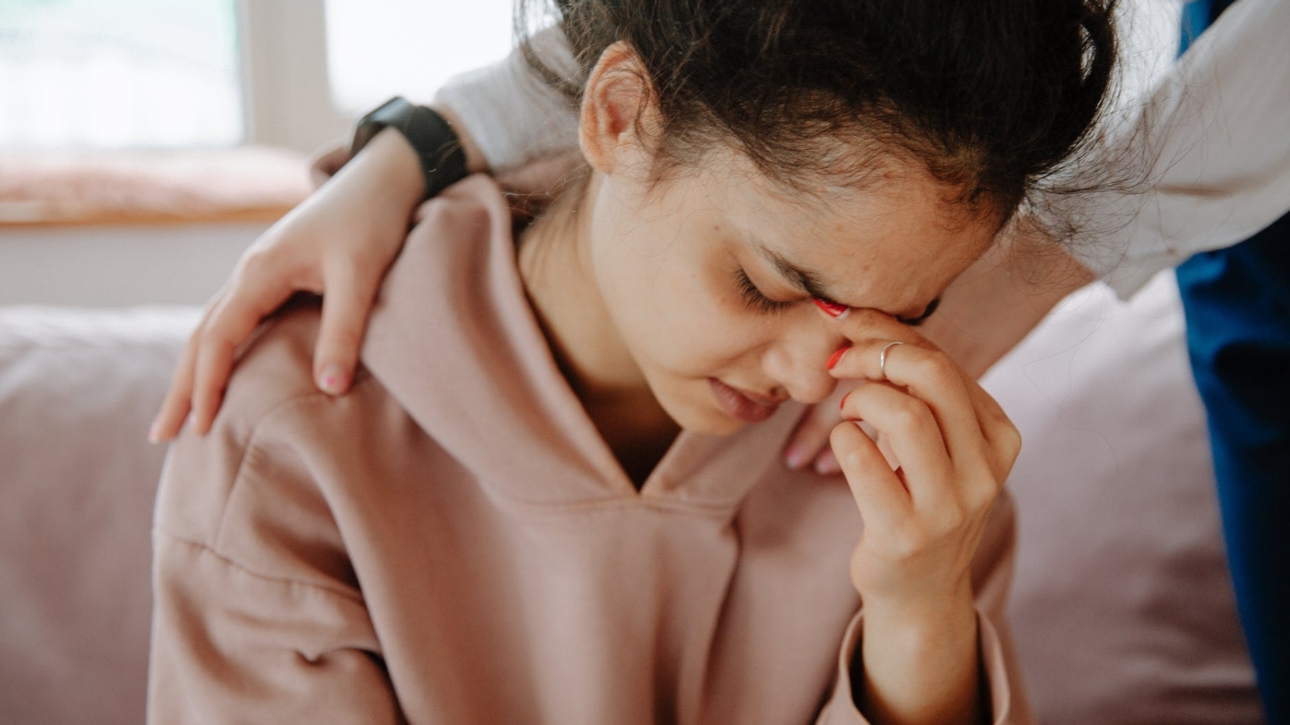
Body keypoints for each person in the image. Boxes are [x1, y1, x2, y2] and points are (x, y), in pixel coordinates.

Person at [149, 0, 1290, 719]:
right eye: (770, 285)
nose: (811, 375)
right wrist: (421, 143)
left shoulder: (911, 479)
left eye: (905, 312)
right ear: (617, 117)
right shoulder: (292, 430)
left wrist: (920, 620)